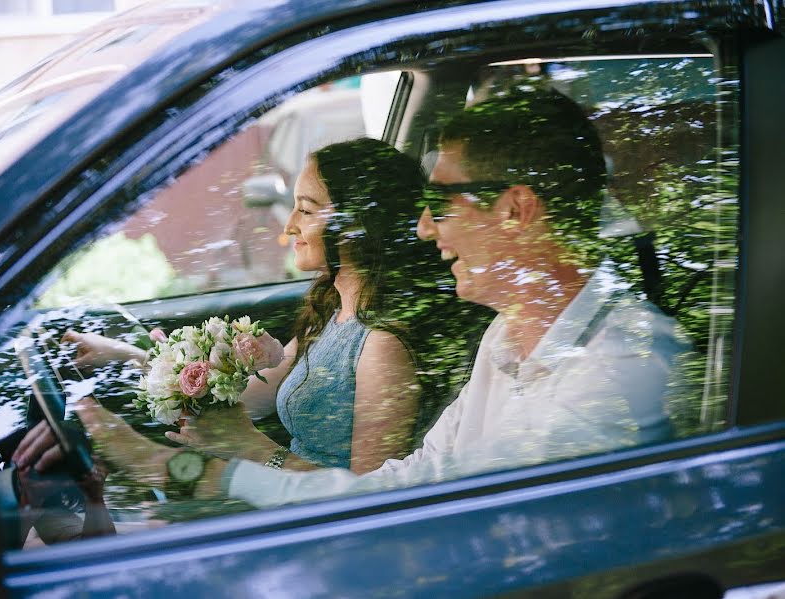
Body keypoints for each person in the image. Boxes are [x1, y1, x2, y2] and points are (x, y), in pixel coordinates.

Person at [170, 86, 694, 507]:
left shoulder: (624, 366)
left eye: (440, 205)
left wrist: (213, 473)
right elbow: (419, 478)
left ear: (515, 211)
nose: (422, 229)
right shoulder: (507, 336)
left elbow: (433, 508)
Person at [63, 138, 460, 474]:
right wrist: (133, 358)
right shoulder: (332, 315)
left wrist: (255, 450)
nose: (289, 226)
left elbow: (370, 495)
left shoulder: (383, 346)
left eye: (305, 210)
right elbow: (250, 397)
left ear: (358, 225)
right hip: (279, 499)